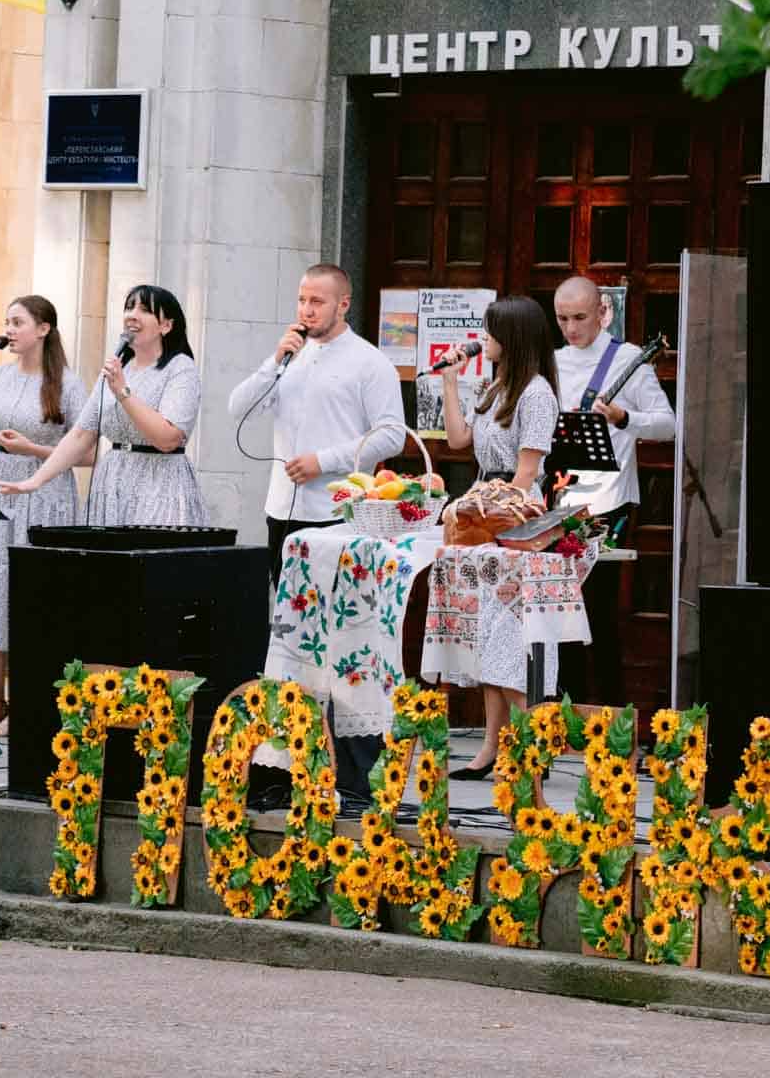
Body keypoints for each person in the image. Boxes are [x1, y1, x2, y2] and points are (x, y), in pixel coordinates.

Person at [436, 297, 562, 780]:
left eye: (489, 332)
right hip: (483, 504)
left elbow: (527, 473)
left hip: (514, 516)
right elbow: (456, 441)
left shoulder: (536, 395)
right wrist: (451, 380)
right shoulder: (494, 388)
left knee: (512, 639)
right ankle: (492, 746)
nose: (482, 340)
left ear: (511, 338)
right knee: (487, 636)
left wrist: (492, 513)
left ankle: (531, 745)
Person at [0, 296, 90, 736]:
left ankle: (30, 703)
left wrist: (32, 450)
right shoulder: (0, 376)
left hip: (45, 489)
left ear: (43, 329)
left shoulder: (66, 382)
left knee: (33, 593)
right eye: (7, 322)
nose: (9, 330)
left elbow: (86, 454)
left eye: (18, 322)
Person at [227, 264, 406, 584]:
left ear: (344, 304)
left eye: (317, 302)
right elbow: (239, 408)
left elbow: (392, 436)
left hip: (335, 513)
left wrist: (322, 462)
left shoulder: (370, 362)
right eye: (301, 300)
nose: (306, 311)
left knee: (330, 616)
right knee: (285, 611)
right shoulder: (289, 358)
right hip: (282, 511)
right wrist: (275, 360)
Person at [551, 275, 676, 707]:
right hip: (559, 498)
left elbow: (668, 424)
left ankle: (607, 710)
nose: (571, 328)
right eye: (563, 318)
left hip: (611, 500)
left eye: (580, 317)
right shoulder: (552, 363)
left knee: (599, 608)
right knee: (561, 607)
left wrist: (625, 419)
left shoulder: (628, 360)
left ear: (602, 313)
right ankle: (567, 708)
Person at [0, 284, 208, 526]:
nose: (132, 315)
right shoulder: (117, 369)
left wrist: (123, 393)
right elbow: (81, 434)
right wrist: (35, 481)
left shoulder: (180, 368)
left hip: (159, 486)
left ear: (166, 325)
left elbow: (168, 439)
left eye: (144, 309)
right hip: (111, 485)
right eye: (128, 307)